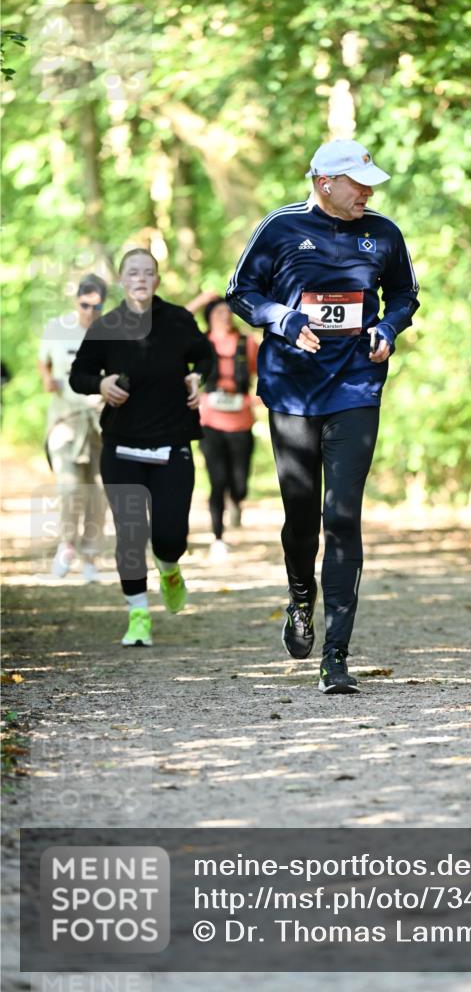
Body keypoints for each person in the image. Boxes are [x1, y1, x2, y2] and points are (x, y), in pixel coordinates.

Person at [227, 139, 419, 694]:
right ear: (323, 183)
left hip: (356, 387)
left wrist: (388, 327)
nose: (368, 193)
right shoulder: (280, 227)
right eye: (358, 184)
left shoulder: (384, 233)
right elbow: (240, 292)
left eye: (371, 185)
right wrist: (283, 319)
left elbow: (404, 295)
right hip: (291, 391)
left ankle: (336, 655)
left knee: (342, 515)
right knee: (301, 514)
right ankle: (299, 596)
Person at [69, 249, 214, 646]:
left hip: (172, 442)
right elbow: (79, 375)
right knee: (131, 536)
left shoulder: (179, 320)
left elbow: (205, 357)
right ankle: (138, 616)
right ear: (122, 280)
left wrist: (197, 378)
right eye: (133, 273)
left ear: (157, 280)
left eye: (148, 273)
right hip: (122, 446)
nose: (140, 279)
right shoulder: (106, 326)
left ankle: (169, 567)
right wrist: (100, 384)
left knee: (170, 537)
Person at [38, 273, 108, 581]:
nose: (90, 312)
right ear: (76, 301)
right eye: (85, 305)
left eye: (97, 307)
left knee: (98, 491)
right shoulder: (56, 328)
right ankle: (67, 545)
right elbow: (43, 361)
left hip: (101, 422)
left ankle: (90, 555)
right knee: (69, 487)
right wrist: (47, 379)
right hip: (65, 420)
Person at [186, 293, 259, 562]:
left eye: (228, 312)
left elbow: (265, 374)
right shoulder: (200, 343)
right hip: (210, 422)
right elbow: (176, 324)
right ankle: (217, 537)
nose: (225, 317)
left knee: (239, 483)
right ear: (209, 317)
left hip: (241, 421)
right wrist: (200, 299)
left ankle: (236, 500)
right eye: (218, 312)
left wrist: (256, 398)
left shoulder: (247, 343)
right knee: (217, 481)